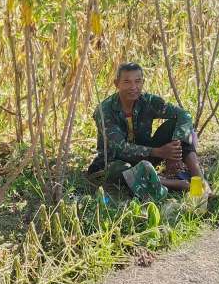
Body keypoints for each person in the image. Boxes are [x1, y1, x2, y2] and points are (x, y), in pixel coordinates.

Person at [88, 62, 208, 201]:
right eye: (127, 82)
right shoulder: (105, 111)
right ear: (117, 84)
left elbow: (184, 115)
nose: (133, 87)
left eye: (138, 81)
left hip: (145, 157)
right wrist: (158, 152)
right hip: (114, 161)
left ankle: (199, 181)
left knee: (176, 126)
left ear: (143, 82)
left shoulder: (148, 101)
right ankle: (178, 184)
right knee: (120, 170)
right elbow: (119, 148)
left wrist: (174, 149)